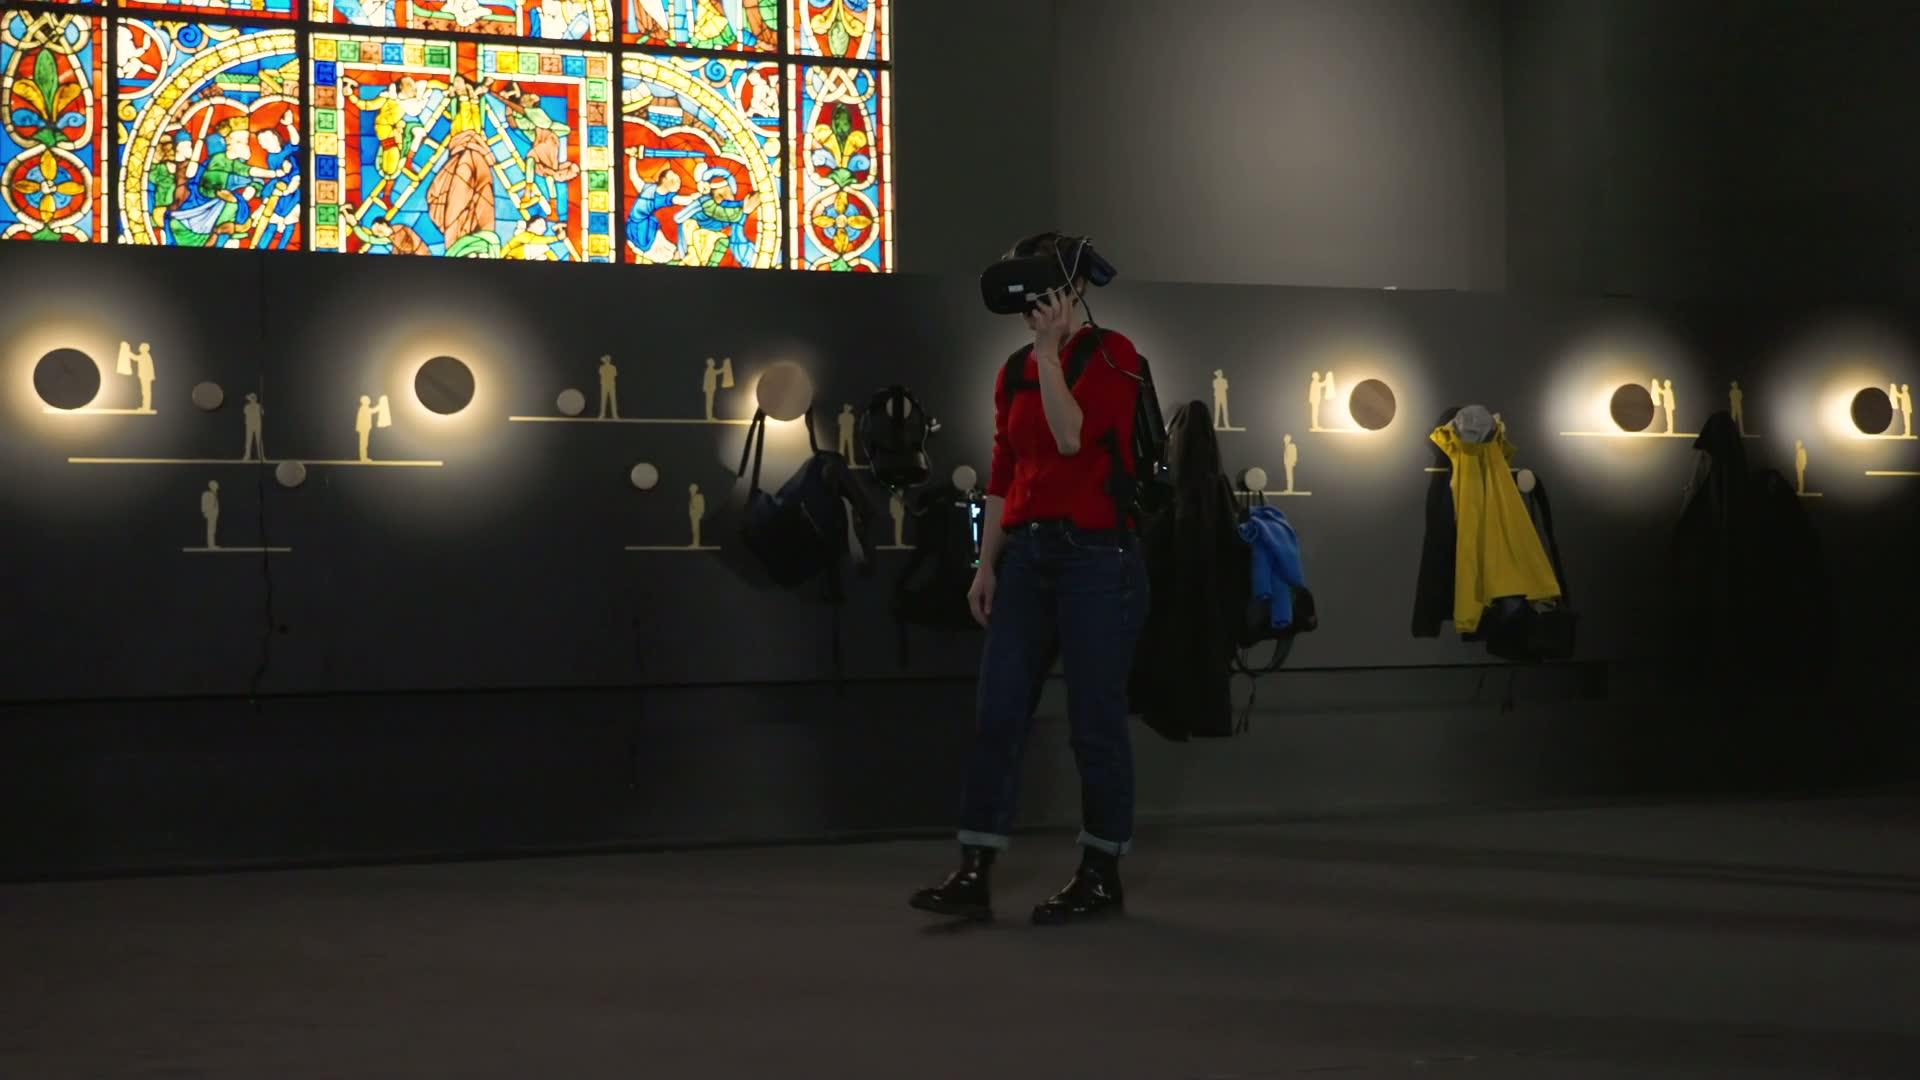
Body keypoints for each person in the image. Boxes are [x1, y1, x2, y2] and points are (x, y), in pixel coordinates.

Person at [911, 232, 1148, 926]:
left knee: (1094, 722)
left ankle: (1100, 873)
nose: (1033, 304)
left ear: (1074, 290)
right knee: (998, 714)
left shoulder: (1114, 355)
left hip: (1096, 555)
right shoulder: (1011, 370)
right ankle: (974, 870)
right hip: (1026, 557)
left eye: (1046, 287)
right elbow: (1003, 471)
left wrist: (1049, 354)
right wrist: (986, 564)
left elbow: (1072, 437)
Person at [242, 393, 265, 461]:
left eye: (253, 398)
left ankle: (261, 456)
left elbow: (262, 413)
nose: (252, 400)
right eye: (251, 398)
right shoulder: (247, 406)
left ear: (255, 399)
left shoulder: (259, 406)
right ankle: (247, 456)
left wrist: (259, 408)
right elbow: (245, 413)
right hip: (250, 425)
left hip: (257, 425)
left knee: (259, 441)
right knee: (248, 441)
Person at [201, 481, 220, 550]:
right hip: (210, 513)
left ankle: (212, 544)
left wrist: (216, 512)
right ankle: (211, 545)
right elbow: (203, 503)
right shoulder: (206, 494)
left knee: (213, 529)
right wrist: (205, 512)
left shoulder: (215, 494)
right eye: (215, 486)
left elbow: (216, 505)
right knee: (210, 529)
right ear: (211, 486)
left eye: (217, 486)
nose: (217, 487)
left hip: (214, 514)